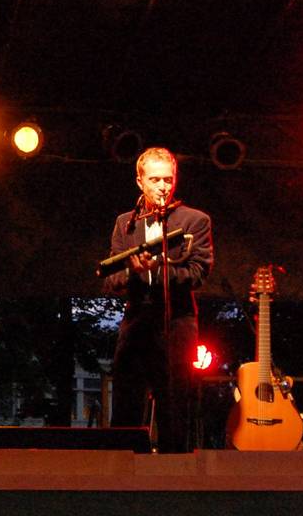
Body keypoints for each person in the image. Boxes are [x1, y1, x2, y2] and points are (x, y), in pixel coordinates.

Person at [104, 147, 214, 453]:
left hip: (177, 322)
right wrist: (134, 273)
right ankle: (122, 474)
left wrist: (161, 268)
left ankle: (174, 475)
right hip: (137, 321)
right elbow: (112, 278)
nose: (163, 186)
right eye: (155, 179)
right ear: (140, 181)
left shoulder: (195, 220)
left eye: (168, 179)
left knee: (174, 403)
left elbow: (198, 272)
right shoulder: (125, 223)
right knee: (127, 402)